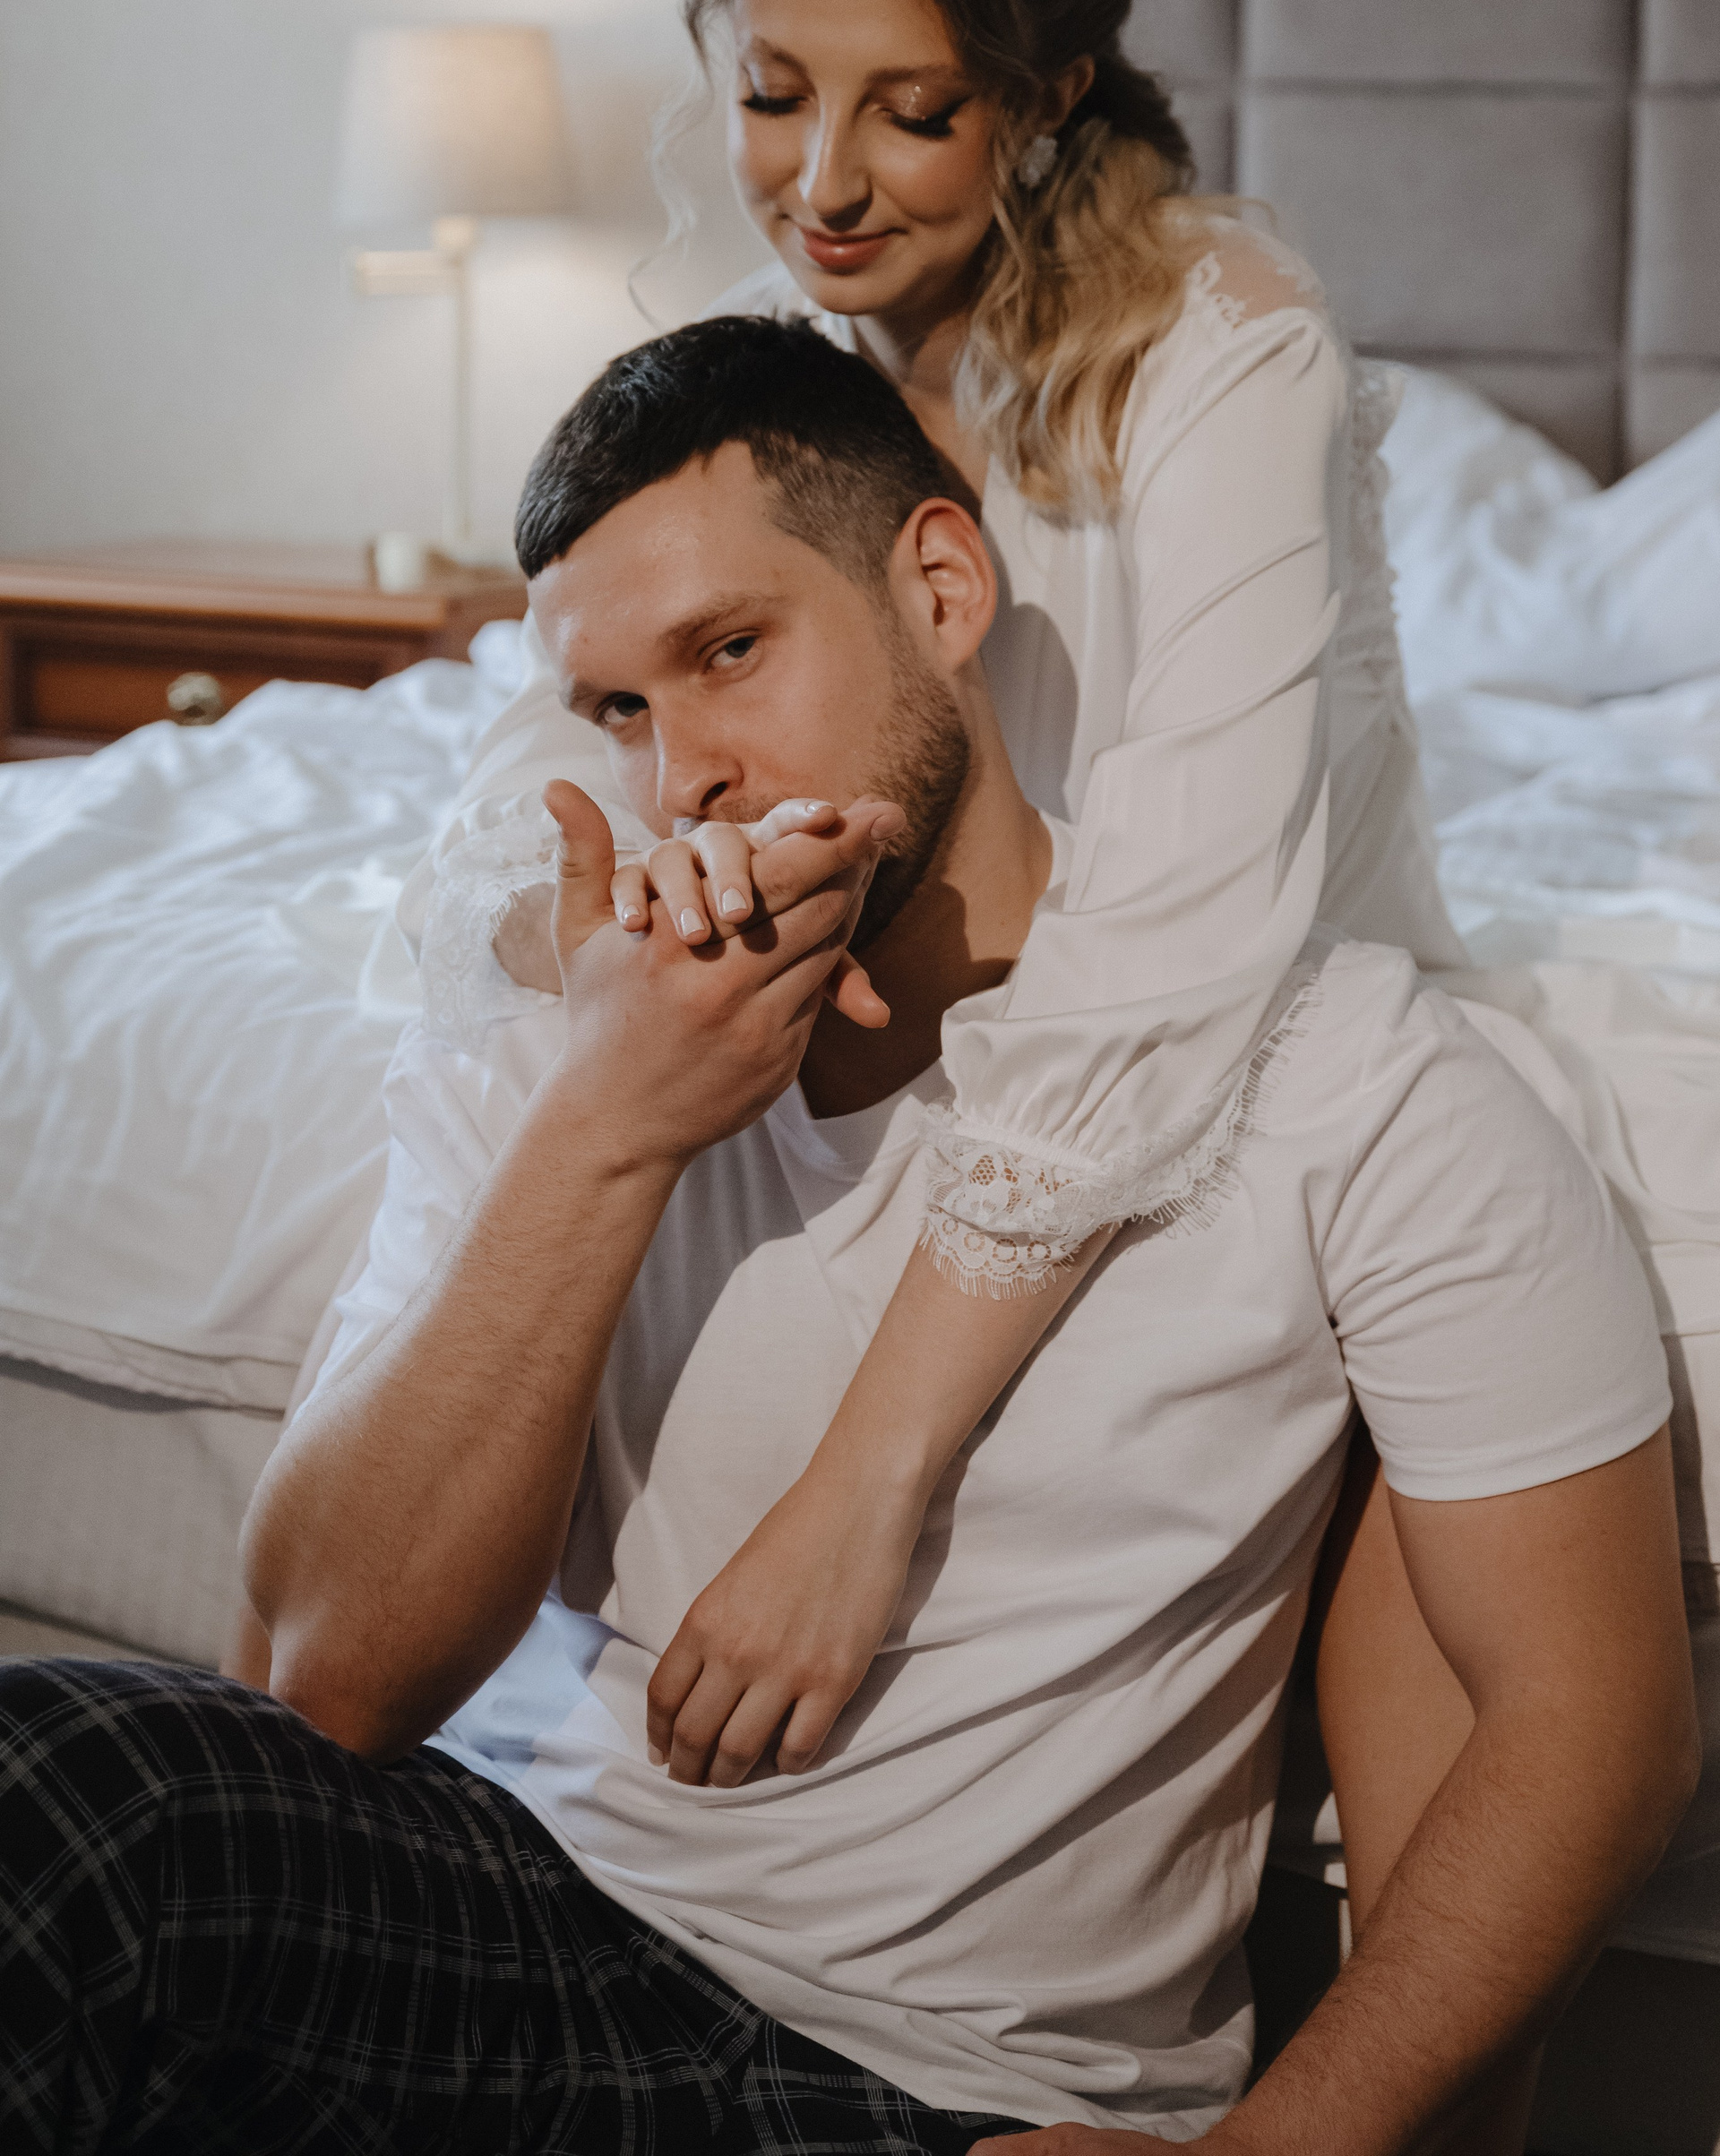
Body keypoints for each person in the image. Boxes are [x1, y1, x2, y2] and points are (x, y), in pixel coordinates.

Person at [9, 320, 1696, 2155]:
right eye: (620, 707)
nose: (685, 774)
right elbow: (323, 1681)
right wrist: (610, 1125)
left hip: (911, 2075)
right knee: (56, 1781)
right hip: (481, 1909)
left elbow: (1597, 1725)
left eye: (731, 651)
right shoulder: (563, 1037)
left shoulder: (1349, 1072)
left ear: (943, 588)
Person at [407, 0, 1474, 1787]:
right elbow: (547, 750)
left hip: (1228, 1004)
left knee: (1398, 1315)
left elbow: (1185, 910)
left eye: (909, 113)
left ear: (1046, 92)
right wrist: (623, 924)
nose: (821, 183)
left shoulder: (1222, 340)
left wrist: (868, 1474)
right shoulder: (769, 363)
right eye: (771, 94)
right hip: (888, 998)